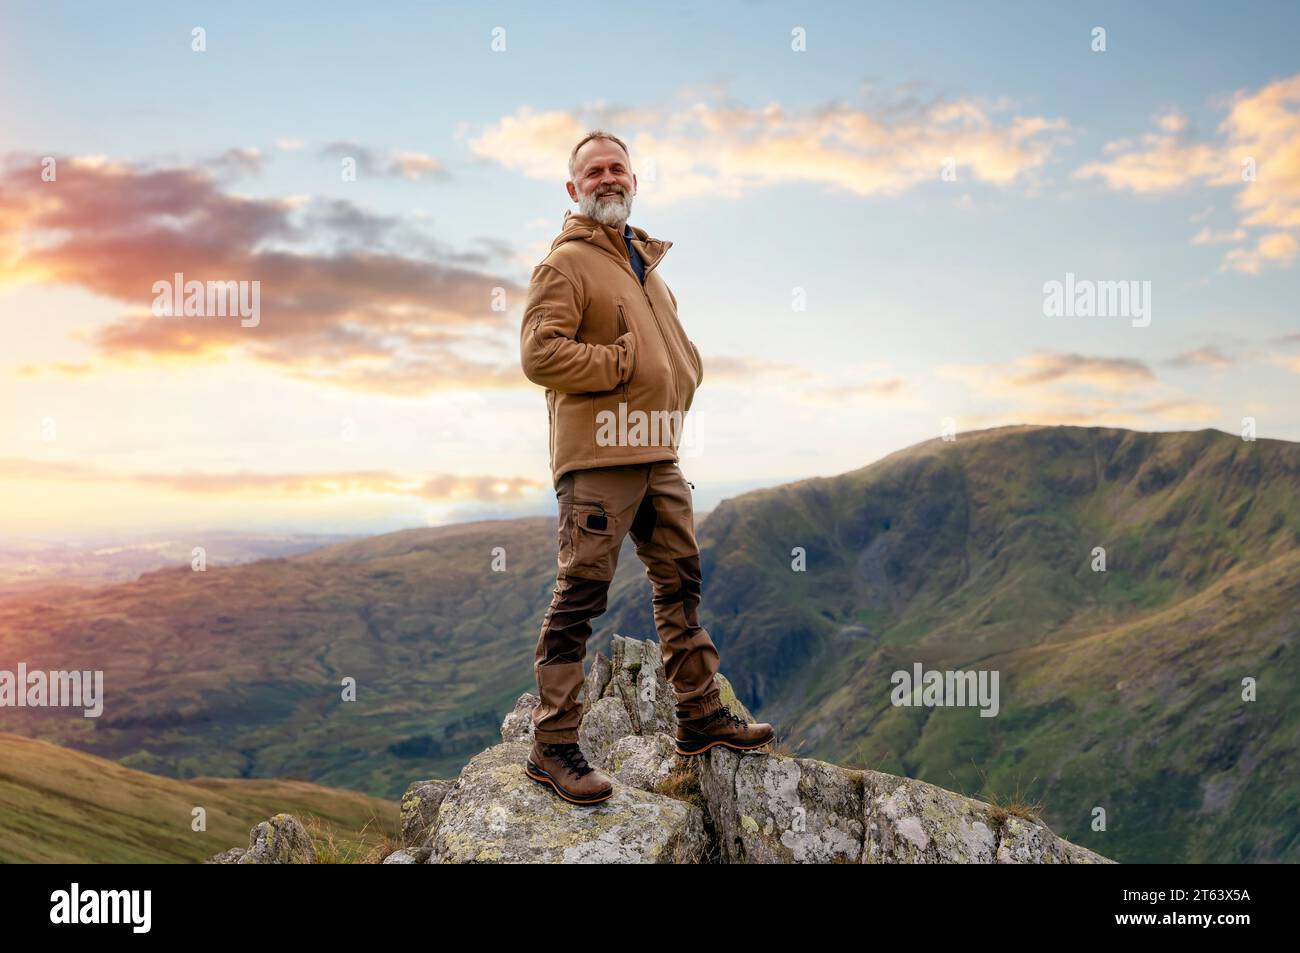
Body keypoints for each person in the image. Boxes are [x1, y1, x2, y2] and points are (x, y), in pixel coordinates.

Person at [518, 130, 774, 805]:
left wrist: (683, 372)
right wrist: (621, 364)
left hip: (660, 448)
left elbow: (669, 351)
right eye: (594, 171)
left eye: (617, 168)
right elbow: (540, 354)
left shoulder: (645, 265)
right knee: (581, 595)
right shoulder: (565, 264)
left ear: (634, 180)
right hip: (600, 454)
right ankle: (553, 746)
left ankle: (699, 714)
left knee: (680, 581)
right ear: (573, 189)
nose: (608, 178)